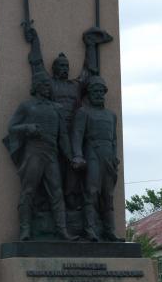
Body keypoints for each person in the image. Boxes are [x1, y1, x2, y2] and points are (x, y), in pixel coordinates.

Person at [23, 22, 112, 210]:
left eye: (66, 66)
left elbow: (89, 72)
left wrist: (90, 45)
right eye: (60, 66)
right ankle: (46, 204)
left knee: (75, 168)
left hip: (74, 131)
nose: (64, 68)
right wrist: (35, 41)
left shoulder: (76, 85)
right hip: (53, 133)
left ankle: (72, 200)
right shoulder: (48, 84)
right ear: (54, 68)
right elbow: (37, 64)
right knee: (54, 170)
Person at [3, 71, 78, 242]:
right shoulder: (27, 106)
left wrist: (70, 157)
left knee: (57, 192)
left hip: (51, 153)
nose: (47, 88)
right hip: (34, 152)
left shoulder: (56, 108)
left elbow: (63, 137)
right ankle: (25, 230)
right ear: (36, 87)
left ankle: (62, 231)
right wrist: (27, 127)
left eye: (48, 86)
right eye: (44, 85)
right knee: (28, 191)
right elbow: (12, 128)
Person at [71, 76, 121, 242]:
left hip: (108, 157)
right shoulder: (83, 112)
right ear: (89, 94)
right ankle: (90, 229)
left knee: (108, 195)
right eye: (95, 91)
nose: (99, 94)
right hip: (92, 153)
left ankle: (109, 231)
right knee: (91, 192)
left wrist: (114, 157)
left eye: (101, 91)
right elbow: (77, 135)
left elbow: (114, 140)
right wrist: (78, 155)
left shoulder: (111, 115)